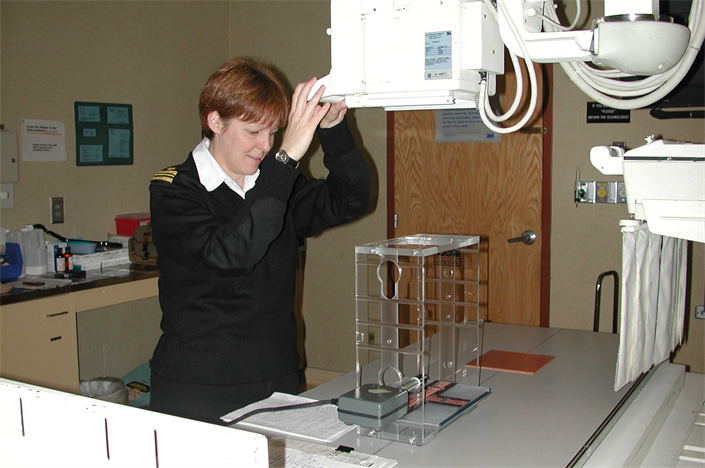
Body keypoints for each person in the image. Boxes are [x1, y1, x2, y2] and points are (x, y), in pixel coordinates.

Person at [148, 58, 371, 424]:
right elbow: (231, 253)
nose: (266, 145)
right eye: (253, 132)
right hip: (200, 384)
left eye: (274, 133)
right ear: (215, 121)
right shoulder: (175, 189)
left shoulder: (272, 182)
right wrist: (285, 160)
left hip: (276, 374)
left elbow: (350, 200)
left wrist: (334, 130)